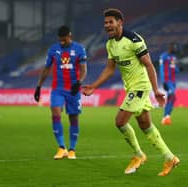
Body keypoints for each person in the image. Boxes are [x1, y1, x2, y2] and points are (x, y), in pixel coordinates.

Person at [83, 8, 179, 176]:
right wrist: (94, 86)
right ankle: (170, 157)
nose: (107, 25)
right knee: (145, 125)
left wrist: (156, 90)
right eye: (105, 22)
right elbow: (109, 69)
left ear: (120, 22)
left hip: (140, 87)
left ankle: (138, 155)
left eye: (110, 22)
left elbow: (149, 64)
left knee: (120, 121)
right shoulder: (110, 44)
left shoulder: (134, 40)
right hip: (131, 88)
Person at [34, 25, 87, 160]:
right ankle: (61, 147)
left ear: (70, 36)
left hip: (73, 88)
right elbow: (46, 69)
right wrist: (39, 86)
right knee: (55, 112)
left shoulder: (79, 49)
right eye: (60, 40)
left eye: (64, 40)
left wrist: (80, 82)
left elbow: (83, 69)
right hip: (58, 89)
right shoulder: (53, 49)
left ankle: (72, 149)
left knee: (73, 117)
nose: (62, 42)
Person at [159, 43, 180, 125]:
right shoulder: (163, 56)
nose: (175, 49)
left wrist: (179, 70)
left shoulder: (173, 57)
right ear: (170, 48)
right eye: (174, 48)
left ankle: (165, 117)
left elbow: (173, 68)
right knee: (173, 96)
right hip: (167, 81)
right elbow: (161, 69)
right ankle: (167, 116)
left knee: (171, 98)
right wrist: (163, 81)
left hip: (173, 81)